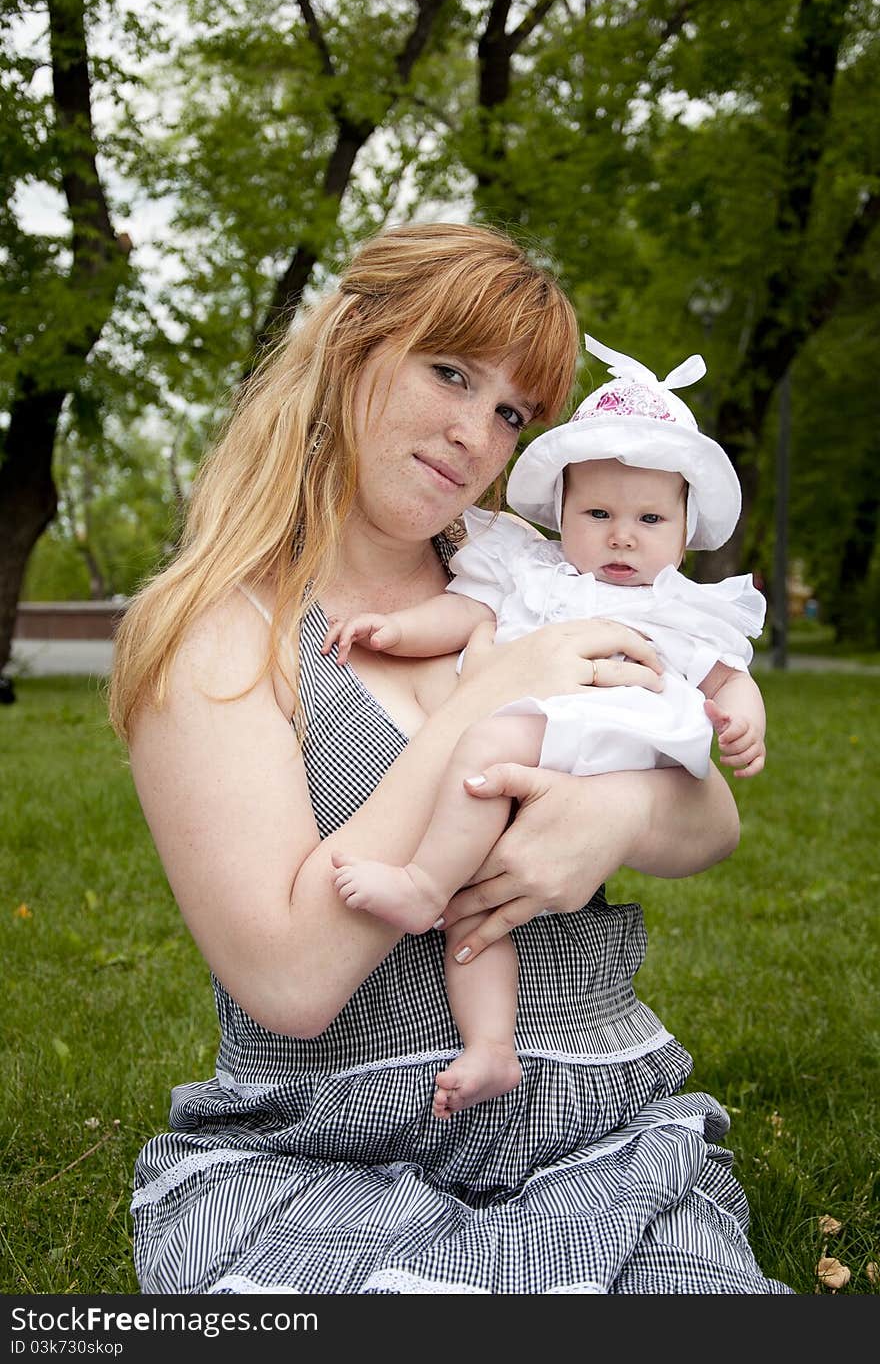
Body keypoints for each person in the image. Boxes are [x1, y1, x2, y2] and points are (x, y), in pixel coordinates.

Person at [109, 221, 792, 1294]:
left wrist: (613, 817)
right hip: (323, 1152)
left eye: (511, 411)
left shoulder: (530, 575)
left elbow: (710, 819)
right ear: (348, 347)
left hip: (589, 1133)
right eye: (450, 373)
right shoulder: (217, 632)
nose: (476, 433)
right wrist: (492, 689)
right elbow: (288, 979)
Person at [325, 334, 767, 1120]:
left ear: (683, 528)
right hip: (549, 736)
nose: (623, 535)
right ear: (561, 512)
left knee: (485, 751)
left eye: (649, 517)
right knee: (481, 905)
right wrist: (396, 631)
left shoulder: (677, 607)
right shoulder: (536, 575)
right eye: (598, 512)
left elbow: (729, 675)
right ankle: (491, 1049)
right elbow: (465, 612)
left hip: (595, 744)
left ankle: (421, 883)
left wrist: (740, 720)